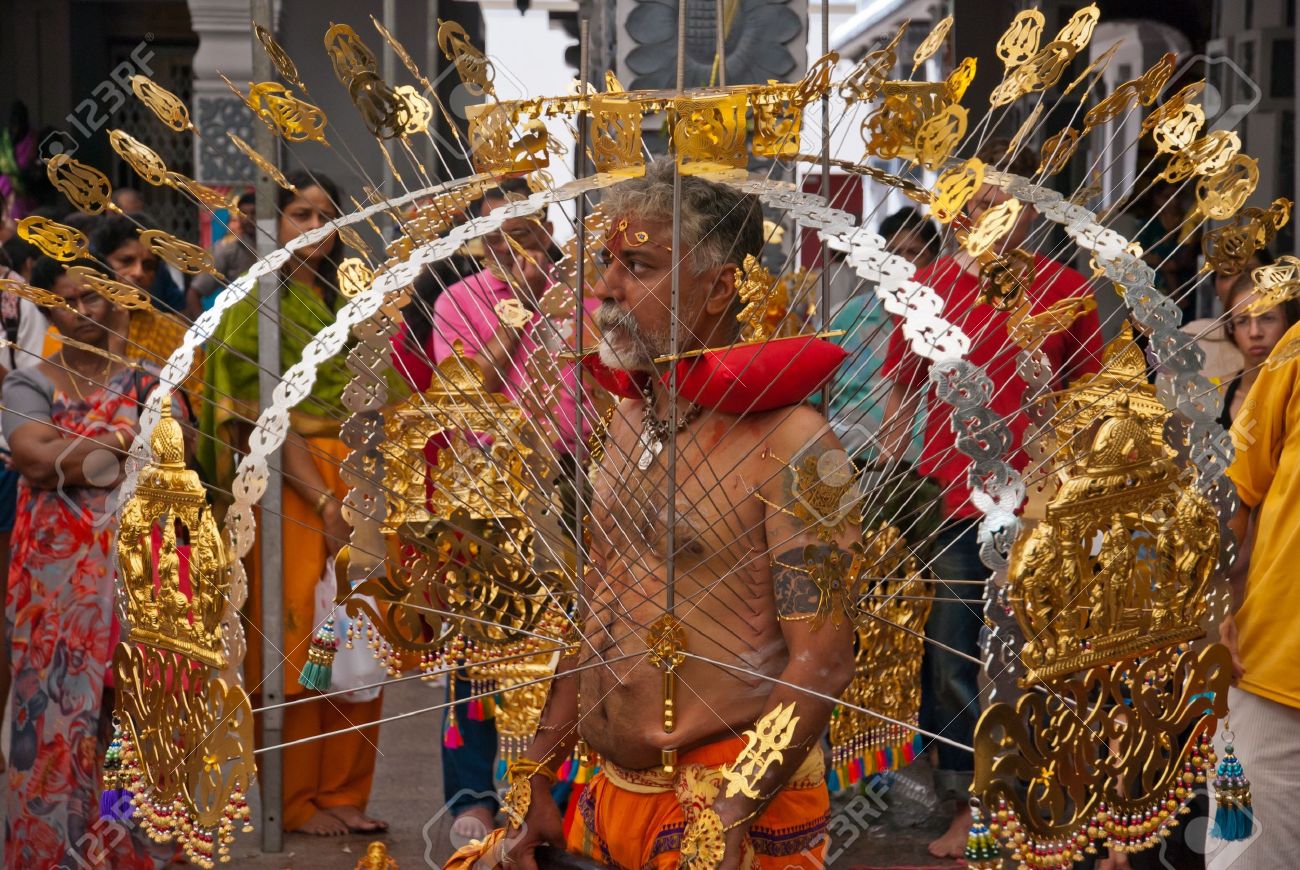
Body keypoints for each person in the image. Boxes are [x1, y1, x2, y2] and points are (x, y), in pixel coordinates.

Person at [505, 160, 855, 870]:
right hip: (607, 800)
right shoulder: (629, 416)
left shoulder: (798, 443)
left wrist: (731, 808)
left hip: (728, 810)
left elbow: (822, 659)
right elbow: (595, 604)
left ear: (720, 287)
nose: (605, 288)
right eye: (606, 261)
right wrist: (536, 775)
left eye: (639, 265)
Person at [879, 139, 1104, 859]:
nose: (987, 215)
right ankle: (966, 800)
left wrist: (1055, 428)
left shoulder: (1065, 288)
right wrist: (881, 477)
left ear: (1023, 213)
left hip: (1039, 504)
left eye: (999, 204)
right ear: (953, 214)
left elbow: (1090, 401)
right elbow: (898, 393)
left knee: (1028, 656)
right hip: (949, 497)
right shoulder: (929, 286)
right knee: (951, 649)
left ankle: (1026, 796)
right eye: (973, 204)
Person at [390, 177, 596, 845]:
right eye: (498, 234)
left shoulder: (583, 298)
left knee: (571, 643)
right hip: (488, 481)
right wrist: (517, 318)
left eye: (528, 232)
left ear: (549, 234)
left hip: (576, 483)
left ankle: (557, 788)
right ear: (479, 243)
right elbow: (465, 392)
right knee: (481, 643)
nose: (514, 247)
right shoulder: (459, 301)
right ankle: (473, 795)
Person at [203, 170, 387, 837]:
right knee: (297, 642)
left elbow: (379, 395)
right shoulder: (254, 308)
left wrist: (363, 490)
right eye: (300, 215)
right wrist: (324, 500)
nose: (314, 229)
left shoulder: (349, 303)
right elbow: (262, 420)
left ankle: (344, 789)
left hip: (359, 484)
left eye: (326, 216)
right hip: (290, 492)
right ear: (273, 224)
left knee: (359, 638)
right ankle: (297, 798)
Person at [1, 256, 165, 869]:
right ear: (48, 304)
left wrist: (69, 454)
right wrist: (120, 441)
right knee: (49, 716)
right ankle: (50, 853)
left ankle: (119, 845)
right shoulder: (29, 382)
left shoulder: (150, 381)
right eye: (68, 300)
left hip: (134, 570)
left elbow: (173, 460)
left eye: (94, 299)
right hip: (52, 581)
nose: (82, 312)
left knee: (125, 716)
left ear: (116, 301)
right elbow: (33, 462)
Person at [1217, 310, 1300, 870]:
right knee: (1243, 852)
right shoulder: (1296, 350)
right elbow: (1239, 489)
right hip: (1271, 660)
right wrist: (1221, 603)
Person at [190, 191, 259, 312]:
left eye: (254, 213)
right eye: (243, 214)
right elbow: (194, 294)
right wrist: (205, 330)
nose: (249, 219)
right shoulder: (228, 249)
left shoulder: (280, 246)